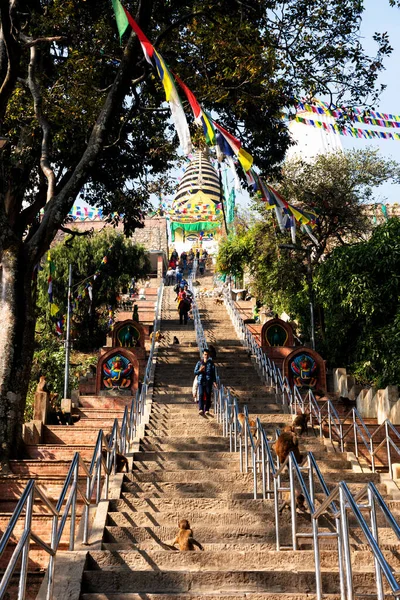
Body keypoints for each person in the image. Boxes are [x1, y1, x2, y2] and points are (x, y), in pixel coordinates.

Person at [194, 348, 216, 416]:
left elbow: (213, 374)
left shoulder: (211, 364)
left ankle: (207, 409)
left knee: (208, 395)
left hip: (208, 381)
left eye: (207, 355)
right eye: (205, 354)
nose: (206, 356)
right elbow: (195, 372)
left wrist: (214, 381)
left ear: (208, 355)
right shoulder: (199, 363)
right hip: (201, 380)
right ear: (203, 355)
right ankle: (201, 409)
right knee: (200, 394)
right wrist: (200, 370)